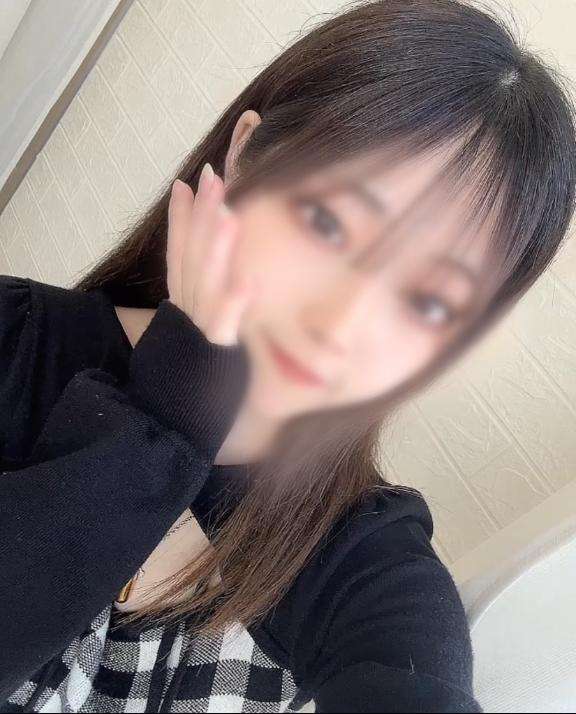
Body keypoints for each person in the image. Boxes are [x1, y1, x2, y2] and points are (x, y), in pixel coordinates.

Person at [1, 0, 575, 711]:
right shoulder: (15, 342)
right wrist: (174, 407)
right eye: (326, 222)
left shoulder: (366, 569)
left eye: (429, 300)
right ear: (244, 155)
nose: (339, 321)